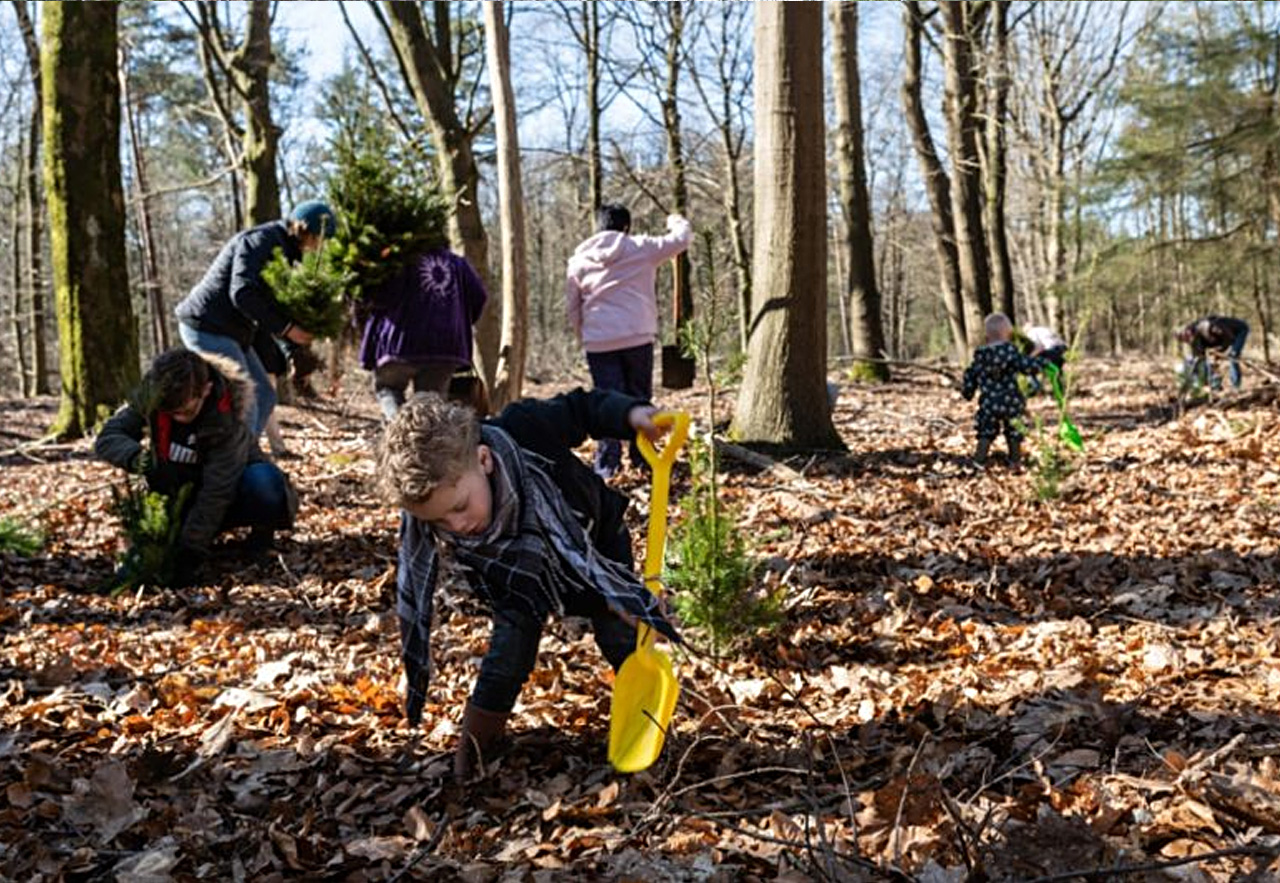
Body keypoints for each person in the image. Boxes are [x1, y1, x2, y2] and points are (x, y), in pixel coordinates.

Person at [377, 388, 680, 780]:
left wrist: (630, 414)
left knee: (621, 634)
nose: (458, 527)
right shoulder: (459, 517)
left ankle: (651, 734)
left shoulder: (525, 428)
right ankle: (475, 754)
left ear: (483, 460)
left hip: (592, 545)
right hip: (517, 575)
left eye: (458, 507)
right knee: (509, 652)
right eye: (439, 523)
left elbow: (580, 409)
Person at [95, 348, 298, 584]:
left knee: (265, 482)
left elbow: (217, 490)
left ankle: (261, 536)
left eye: (186, 411)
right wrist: (137, 459)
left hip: (233, 494)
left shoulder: (227, 419)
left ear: (206, 389)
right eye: (170, 413)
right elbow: (109, 437)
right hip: (178, 492)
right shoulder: (153, 394)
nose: (178, 418)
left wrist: (190, 551)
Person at [175, 200, 336, 438]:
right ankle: (236, 463)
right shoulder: (260, 241)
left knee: (264, 395)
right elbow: (242, 293)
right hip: (207, 326)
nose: (318, 247)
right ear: (305, 230)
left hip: (233, 332)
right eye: (318, 240)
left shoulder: (288, 253)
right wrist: (289, 329)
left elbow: (273, 307)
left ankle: (243, 454)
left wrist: (292, 351)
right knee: (247, 401)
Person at [565, 204, 692, 478]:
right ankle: (643, 457)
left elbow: (573, 307)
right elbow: (681, 240)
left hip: (599, 341)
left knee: (606, 401)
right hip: (637, 336)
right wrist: (675, 219)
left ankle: (607, 465)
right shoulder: (640, 247)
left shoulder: (578, 260)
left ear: (598, 227)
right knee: (639, 396)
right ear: (626, 227)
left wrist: (583, 335)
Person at [358, 248, 488, 420]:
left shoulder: (397, 259)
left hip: (400, 343)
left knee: (388, 389)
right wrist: (456, 322)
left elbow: (378, 297)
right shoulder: (458, 264)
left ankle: (399, 434)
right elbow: (479, 296)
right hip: (446, 346)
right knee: (431, 407)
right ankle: (422, 442)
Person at [962, 313, 1044, 466]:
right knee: (1014, 429)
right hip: (1011, 401)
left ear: (986, 334)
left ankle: (979, 460)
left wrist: (968, 392)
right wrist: (1039, 363)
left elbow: (970, 374)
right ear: (1008, 333)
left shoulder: (981, 356)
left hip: (989, 402)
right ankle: (1015, 459)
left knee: (986, 430)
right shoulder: (1011, 352)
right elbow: (1026, 366)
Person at [1178, 315, 1250, 389]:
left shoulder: (1206, 326)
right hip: (1223, 338)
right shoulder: (1194, 340)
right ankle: (1212, 385)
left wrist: (1219, 352)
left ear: (1188, 330)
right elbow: (1199, 357)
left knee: (1233, 356)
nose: (1188, 340)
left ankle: (1236, 386)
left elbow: (1229, 338)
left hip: (1238, 331)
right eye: (1185, 340)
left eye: (1186, 336)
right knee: (1204, 362)